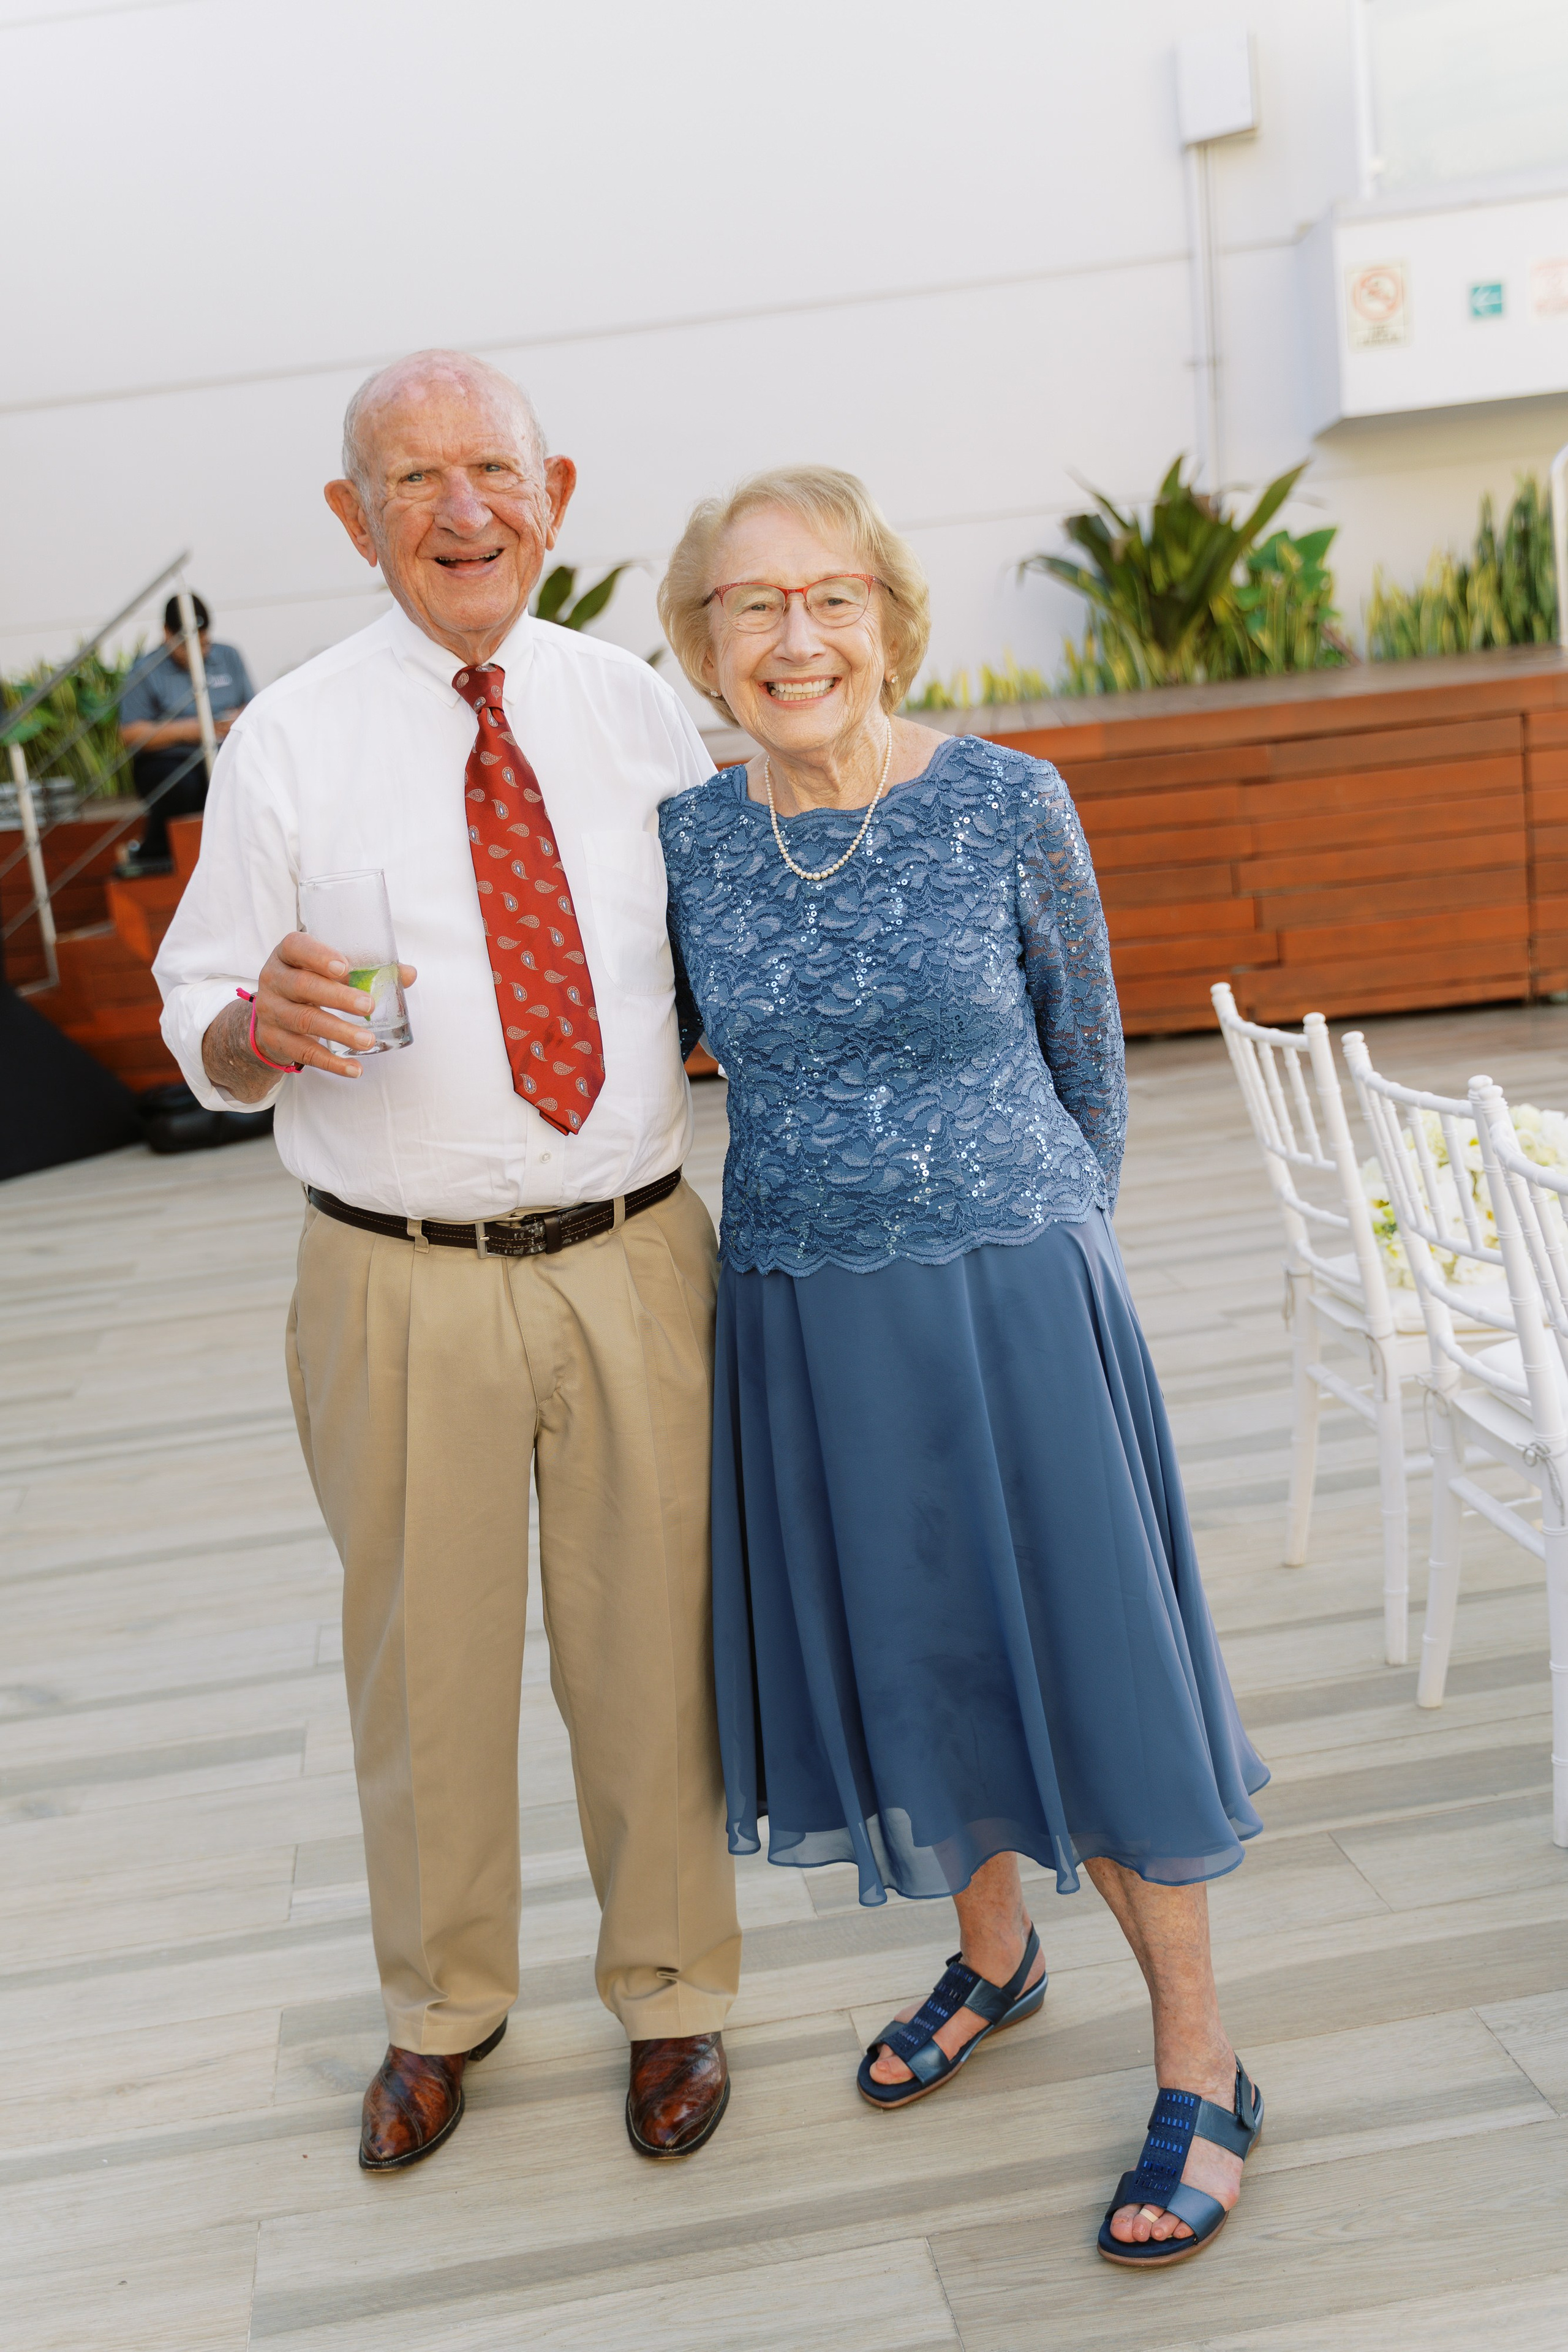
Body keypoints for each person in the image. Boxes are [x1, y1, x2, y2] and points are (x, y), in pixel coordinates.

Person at [657, 467, 1270, 2267]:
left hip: (1011, 1297)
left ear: (889, 619)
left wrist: (1037, 1240)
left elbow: (1093, 1059)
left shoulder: (1009, 800)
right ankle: (993, 1952)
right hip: (800, 1307)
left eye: (830, 596)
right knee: (917, 1646)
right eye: (752, 604)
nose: (795, 637)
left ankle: (1204, 2057)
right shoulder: (687, 840)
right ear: (705, 643)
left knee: (1088, 1665)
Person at [154, 350, 740, 2172]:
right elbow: (199, 1013)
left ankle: (669, 1988)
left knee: (655, 1646)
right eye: (413, 480)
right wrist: (260, 1023)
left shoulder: (642, 710)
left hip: (637, 1251)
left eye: (490, 468)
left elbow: (725, 956)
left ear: (553, 491)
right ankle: (442, 2001)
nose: (461, 509)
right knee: (423, 1658)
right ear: (355, 519)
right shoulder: (287, 742)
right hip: (393, 1278)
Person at [119, 595, 253, 869]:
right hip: (170, 759)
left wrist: (233, 721)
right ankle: (156, 857)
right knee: (185, 786)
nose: (197, 653)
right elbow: (131, 733)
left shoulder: (228, 656)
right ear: (167, 634)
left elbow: (252, 705)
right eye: (186, 646)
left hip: (225, 750)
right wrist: (193, 730)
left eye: (203, 644)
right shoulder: (146, 669)